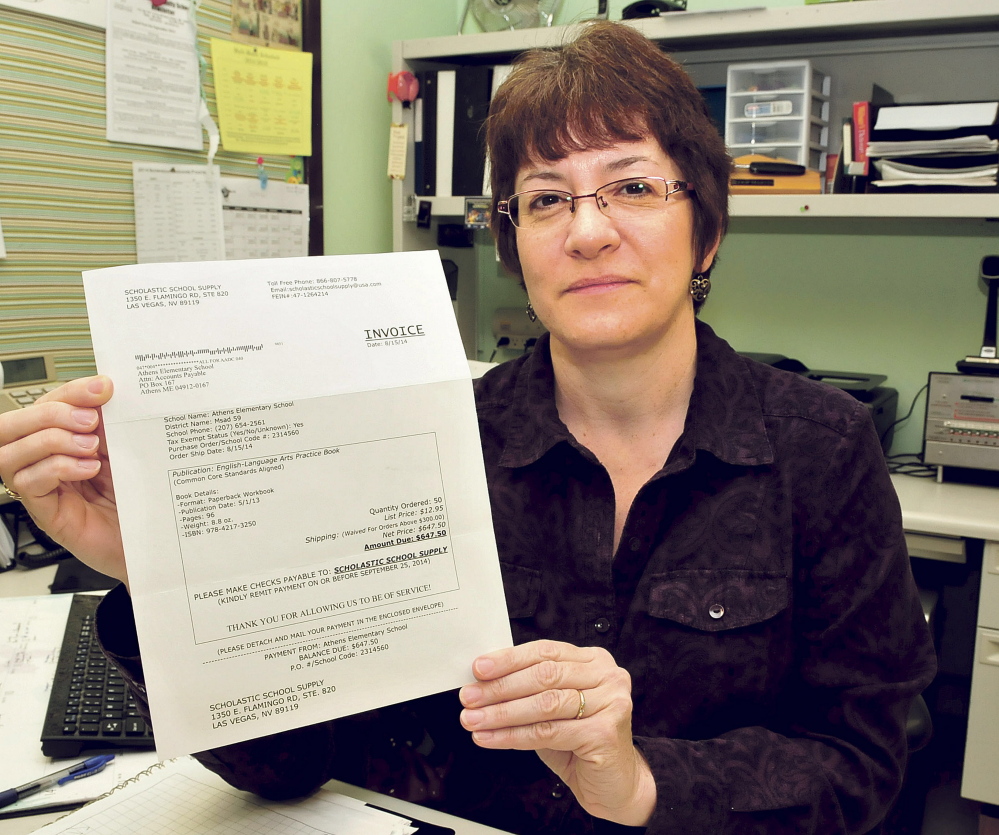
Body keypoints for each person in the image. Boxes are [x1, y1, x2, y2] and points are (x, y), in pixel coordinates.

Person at [0, 21, 934, 835]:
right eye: (545, 198)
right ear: (512, 240)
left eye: (633, 188)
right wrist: (160, 575)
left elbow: (864, 764)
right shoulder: (429, 437)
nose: (588, 231)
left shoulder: (823, 447)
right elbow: (289, 763)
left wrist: (644, 781)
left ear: (709, 227)